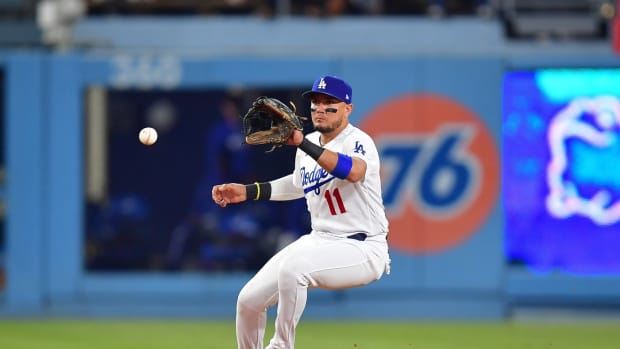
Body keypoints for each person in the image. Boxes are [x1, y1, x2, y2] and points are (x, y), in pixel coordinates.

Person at [211, 75, 391, 349]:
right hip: (320, 240)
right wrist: (247, 191)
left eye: (329, 102)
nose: (320, 108)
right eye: (315, 102)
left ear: (347, 108)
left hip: (363, 247)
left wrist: (302, 143)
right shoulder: (307, 145)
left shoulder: (358, 140)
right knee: (249, 301)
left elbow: (354, 171)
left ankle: (282, 345)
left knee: (295, 270)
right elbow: (297, 184)